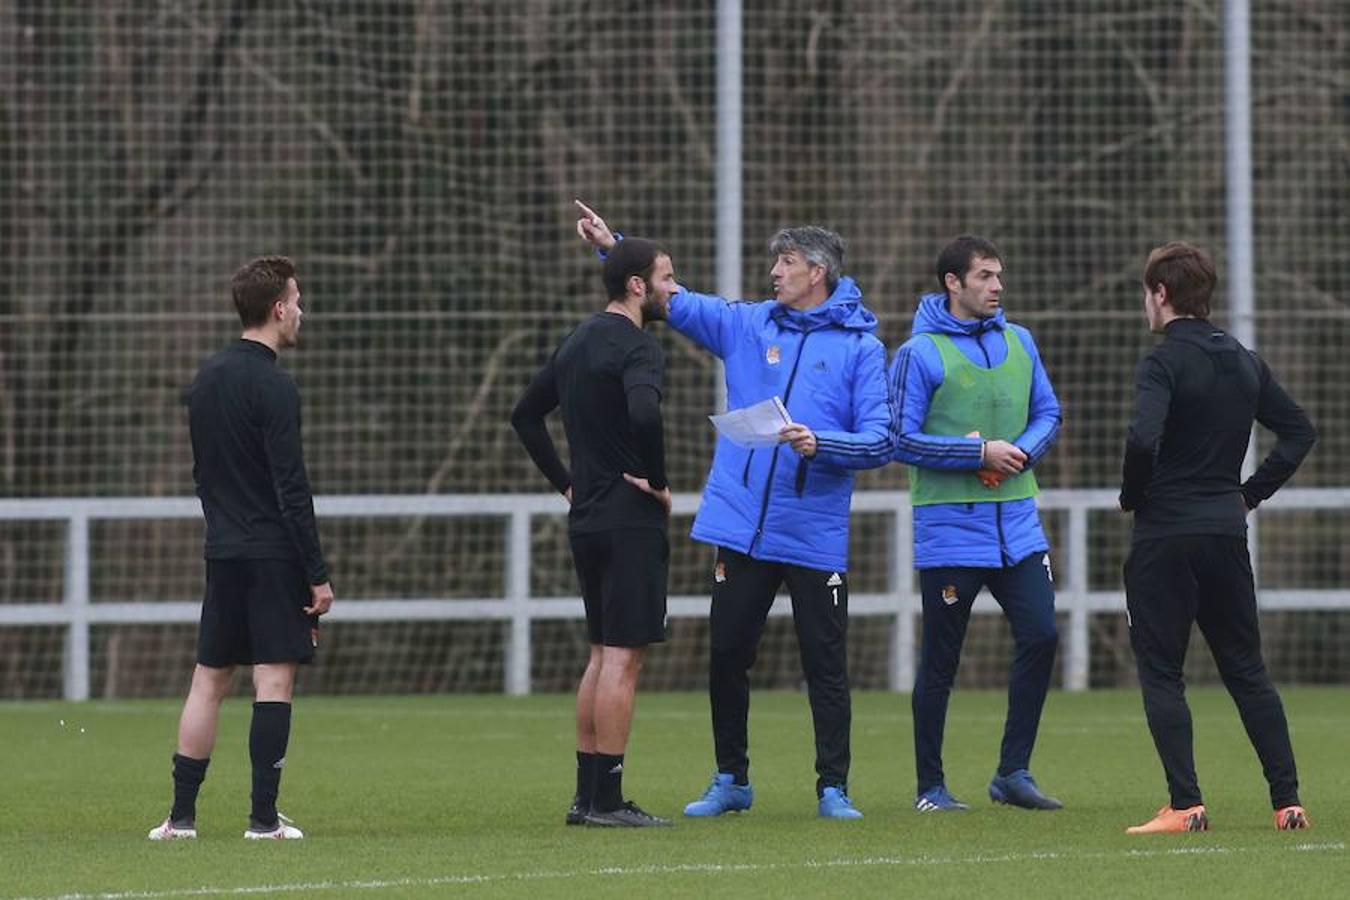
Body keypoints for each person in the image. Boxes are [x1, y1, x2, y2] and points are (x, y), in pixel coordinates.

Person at [576, 202, 893, 820]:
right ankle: (732, 779)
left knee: (825, 664)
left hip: (814, 533)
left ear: (818, 272)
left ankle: (834, 787)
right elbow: (676, 301)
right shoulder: (749, 325)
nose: (774, 271)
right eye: (776, 260)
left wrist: (822, 443)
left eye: (788, 261)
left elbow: (881, 439)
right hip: (743, 527)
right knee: (726, 653)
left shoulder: (861, 349)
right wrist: (611, 245)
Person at [1119, 241, 1316, 834]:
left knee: (1161, 672)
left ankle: (1185, 804)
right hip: (1224, 533)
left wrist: (1133, 494)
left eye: (1147, 294)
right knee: (1246, 668)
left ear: (1161, 295)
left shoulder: (1162, 362)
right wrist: (1248, 495)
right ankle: (1287, 802)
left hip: (1165, 535)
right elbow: (1299, 433)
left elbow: (1142, 440)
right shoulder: (1243, 359)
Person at [149, 256, 335, 841]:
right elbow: (291, 486)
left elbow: (204, 475)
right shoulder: (276, 386)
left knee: (208, 678)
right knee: (273, 680)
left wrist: (224, 528)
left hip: (223, 550)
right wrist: (317, 572)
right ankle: (261, 820)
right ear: (278, 309)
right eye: (298, 301)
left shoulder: (205, 379)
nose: (302, 311)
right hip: (273, 553)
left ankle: (180, 819)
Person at [889, 235, 1063, 813]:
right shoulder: (919, 353)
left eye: (999, 276)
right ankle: (930, 787)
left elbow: (1048, 412)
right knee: (942, 659)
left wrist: (1021, 452)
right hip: (949, 530)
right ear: (953, 283)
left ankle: (1012, 772)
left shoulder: (1021, 341)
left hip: (1018, 526)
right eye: (985, 276)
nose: (997, 286)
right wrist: (975, 454)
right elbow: (901, 438)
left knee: (1042, 634)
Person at [511, 237, 678, 828]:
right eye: (665, 277)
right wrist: (657, 482)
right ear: (637, 285)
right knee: (623, 660)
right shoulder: (639, 347)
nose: (672, 288)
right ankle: (608, 800)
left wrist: (567, 484)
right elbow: (644, 414)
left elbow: (525, 415)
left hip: (586, 520)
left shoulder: (577, 340)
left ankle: (586, 798)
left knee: (601, 654)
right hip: (630, 519)